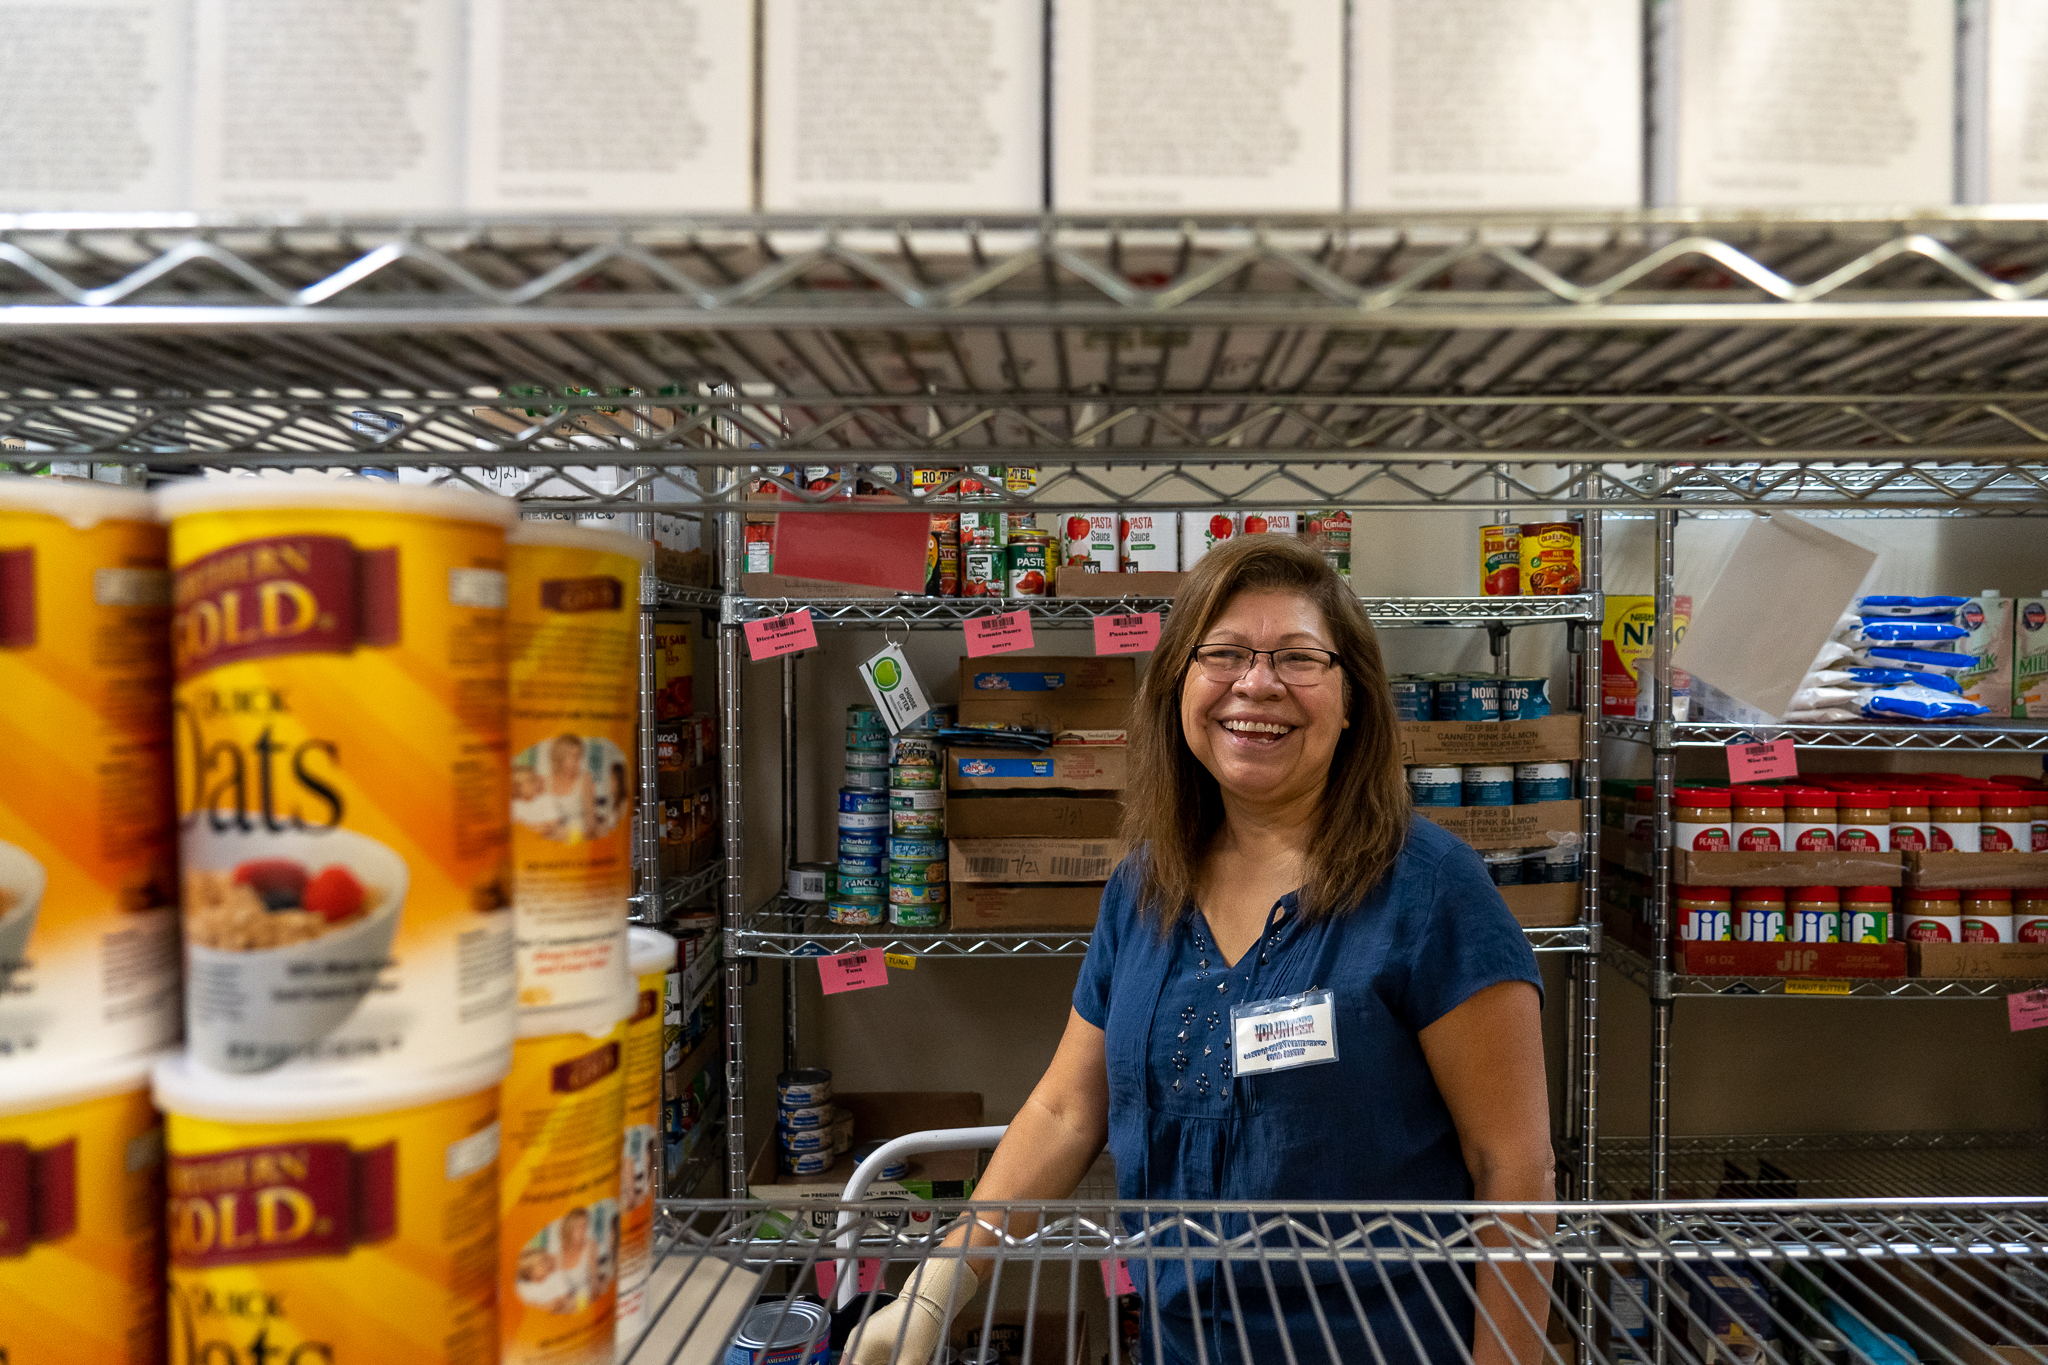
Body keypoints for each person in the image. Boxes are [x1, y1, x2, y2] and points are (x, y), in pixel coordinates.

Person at [846, 535, 1554, 1365]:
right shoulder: (1145, 887)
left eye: (1297, 657)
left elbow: (1513, 1163)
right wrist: (938, 1286)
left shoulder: (1433, 890)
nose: (1257, 684)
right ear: (1179, 686)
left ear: (1353, 697)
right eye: (1223, 654)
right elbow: (1066, 1112)